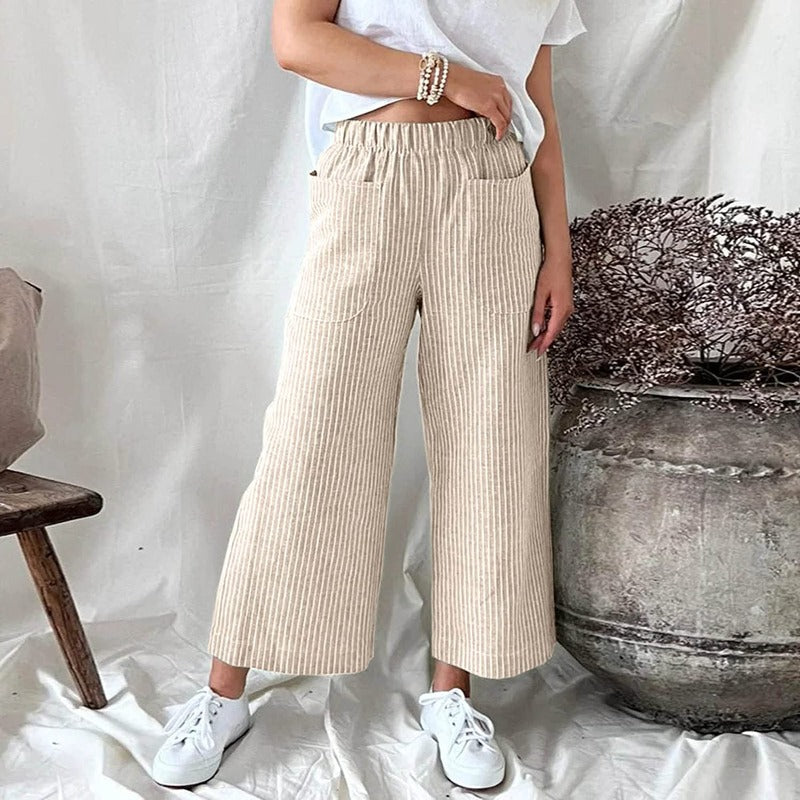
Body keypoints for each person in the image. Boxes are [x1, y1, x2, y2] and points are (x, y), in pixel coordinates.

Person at [151, 0, 586, 791]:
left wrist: (558, 251)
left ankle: (452, 694)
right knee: (311, 435)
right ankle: (223, 693)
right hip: (368, 172)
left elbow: (539, 108)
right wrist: (446, 77)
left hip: (493, 190)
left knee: (492, 439)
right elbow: (297, 40)